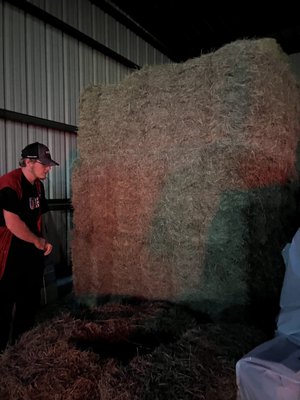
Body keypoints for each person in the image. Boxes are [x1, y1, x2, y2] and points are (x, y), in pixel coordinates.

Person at [0, 142, 59, 352]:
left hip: (31, 257)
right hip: (8, 257)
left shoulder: (38, 186)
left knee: (28, 304)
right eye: (44, 164)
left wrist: (46, 240)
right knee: (4, 306)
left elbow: (41, 218)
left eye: (49, 164)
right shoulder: (9, 184)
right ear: (28, 162)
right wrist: (37, 241)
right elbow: (12, 223)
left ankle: (20, 349)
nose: (48, 168)